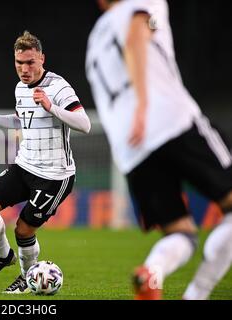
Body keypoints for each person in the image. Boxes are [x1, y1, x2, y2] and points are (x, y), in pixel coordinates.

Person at [86, 0, 232, 299]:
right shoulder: (142, 4)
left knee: (180, 233)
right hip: (170, 121)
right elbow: (137, 33)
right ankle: (196, 294)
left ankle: (152, 272)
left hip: (132, 151)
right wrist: (143, 104)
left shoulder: (94, 42)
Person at [0, 31, 91, 293]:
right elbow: (22, 120)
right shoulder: (20, 88)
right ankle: (3, 256)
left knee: (23, 229)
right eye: (19, 63)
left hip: (54, 176)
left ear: (42, 59)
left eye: (30, 62)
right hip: (24, 165)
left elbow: (85, 124)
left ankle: (26, 278)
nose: (24, 69)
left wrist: (51, 107)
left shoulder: (58, 87)